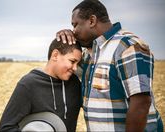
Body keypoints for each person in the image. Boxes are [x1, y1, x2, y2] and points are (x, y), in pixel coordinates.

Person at [56, 0, 163, 131]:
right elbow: (65, 70)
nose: (74, 31)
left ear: (92, 21)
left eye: (75, 25)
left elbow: (141, 103)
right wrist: (65, 41)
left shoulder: (127, 46)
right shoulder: (90, 54)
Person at [0, 39, 82, 132]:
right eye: (72, 61)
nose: (75, 68)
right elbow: (6, 128)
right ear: (55, 55)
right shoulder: (29, 84)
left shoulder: (75, 83)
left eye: (78, 64)